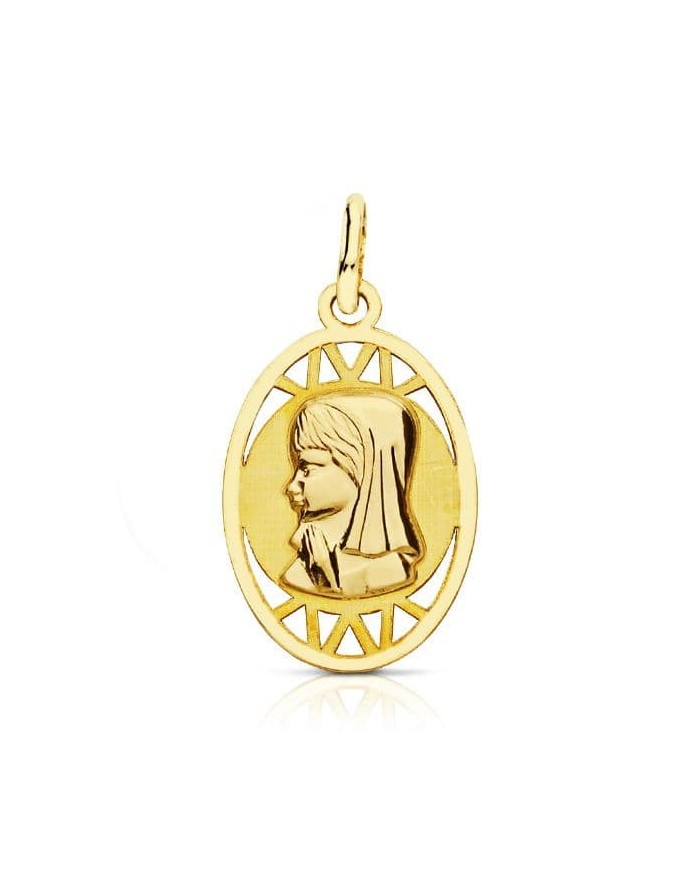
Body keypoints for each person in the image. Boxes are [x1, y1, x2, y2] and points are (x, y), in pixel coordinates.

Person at [282, 392, 422, 596]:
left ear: (361, 470)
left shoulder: (390, 573)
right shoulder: (308, 558)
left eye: (307, 468)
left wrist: (328, 580)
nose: (291, 487)